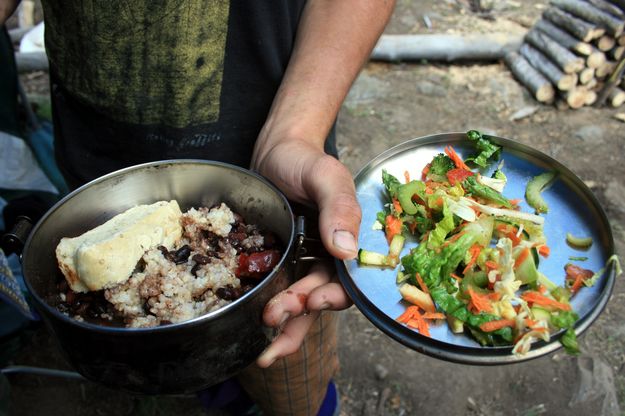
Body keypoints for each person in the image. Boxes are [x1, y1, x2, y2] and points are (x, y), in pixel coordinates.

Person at [1, 1, 396, 414]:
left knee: (288, 376)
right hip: (98, 176)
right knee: (164, 361)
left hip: (272, 169)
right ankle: (221, 397)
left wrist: (294, 132)